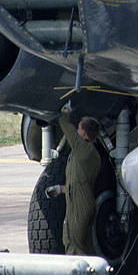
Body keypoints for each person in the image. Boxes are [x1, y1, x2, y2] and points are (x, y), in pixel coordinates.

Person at [45, 106, 102, 255]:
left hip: (79, 205)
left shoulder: (83, 148)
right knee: (86, 246)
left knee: (72, 245)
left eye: (79, 128)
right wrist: (60, 189)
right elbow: (79, 182)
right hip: (86, 201)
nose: (76, 131)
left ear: (83, 132)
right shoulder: (91, 153)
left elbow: (65, 126)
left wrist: (65, 114)